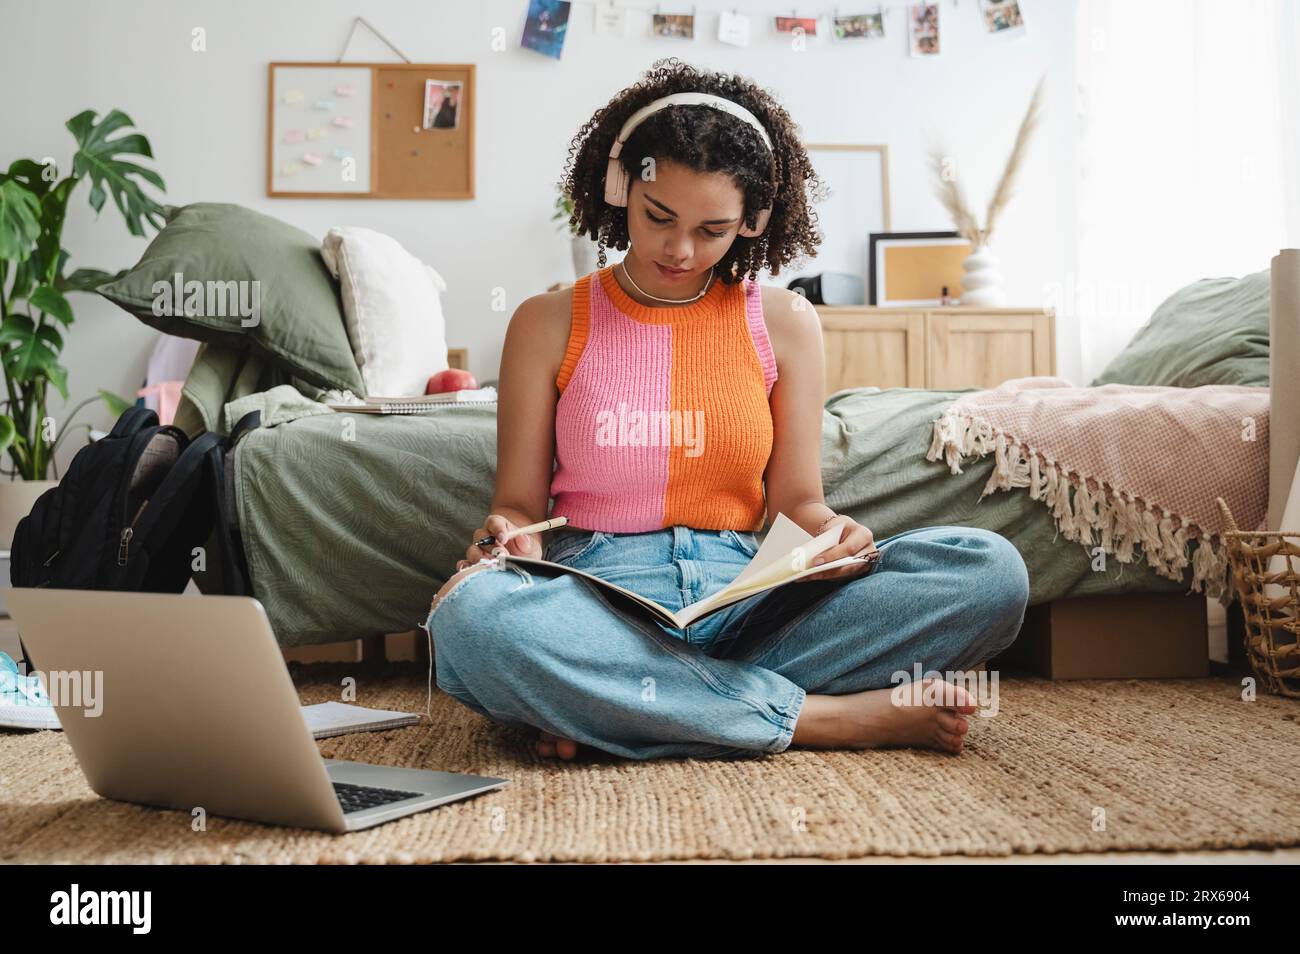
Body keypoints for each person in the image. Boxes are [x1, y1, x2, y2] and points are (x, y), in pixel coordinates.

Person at [423, 58, 1029, 762]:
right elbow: (520, 506)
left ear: (753, 221)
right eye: (659, 218)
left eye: (712, 229)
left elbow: (799, 506)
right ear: (621, 188)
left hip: (752, 602)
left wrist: (833, 539)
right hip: (598, 604)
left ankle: (624, 708)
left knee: (989, 572)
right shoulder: (546, 321)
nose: (680, 250)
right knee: (472, 616)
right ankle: (824, 720)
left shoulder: (787, 322)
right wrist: (510, 537)